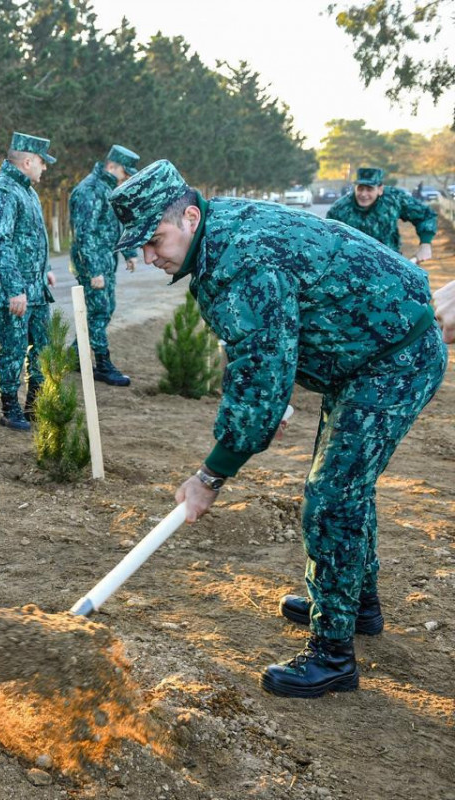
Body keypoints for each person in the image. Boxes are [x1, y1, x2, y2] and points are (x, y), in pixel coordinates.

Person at [110, 160, 446, 699]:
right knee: (344, 489)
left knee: (334, 496)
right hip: (361, 358)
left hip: (394, 360)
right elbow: (260, 349)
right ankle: (355, 604)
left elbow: (258, 392)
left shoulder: (240, 258)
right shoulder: (220, 236)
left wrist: (210, 476)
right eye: (140, 247)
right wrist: (274, 394)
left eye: (154, 239)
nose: (148, 256)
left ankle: (333, 655)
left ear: (190, 217)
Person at [0, 131, 60, 432]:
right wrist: (15, 289)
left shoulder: (25, 189)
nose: (44, 168)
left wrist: (45, 267)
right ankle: (10, 408)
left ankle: (34, 404)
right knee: (13, 347)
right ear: (27, 161)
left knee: (43, 346)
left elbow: (32, 235)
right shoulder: (1, 192)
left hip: (35, 288)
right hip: (13, 292)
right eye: (41, 162)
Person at [69, 144, 141, 386]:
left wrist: (129, 252)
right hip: (93, 264)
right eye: (125, 172)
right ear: (112, 166)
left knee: (105, 309)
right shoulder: (89, 190)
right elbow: (84, 234)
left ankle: (73, 356)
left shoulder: (109, 189)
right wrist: (93, 271)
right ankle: (102, 364)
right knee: (99, 311)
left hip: (106, 261)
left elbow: (116, 224)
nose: (127, 177)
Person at [327, 167, 436, 261]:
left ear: (380, 189)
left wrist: (425, 244)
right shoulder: (340, 209)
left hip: (389, 264)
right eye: (360, 188)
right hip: (351, 267)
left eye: (369, 189)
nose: (364, 194)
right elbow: (329, 239)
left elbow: (426, 215)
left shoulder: (394, 199)